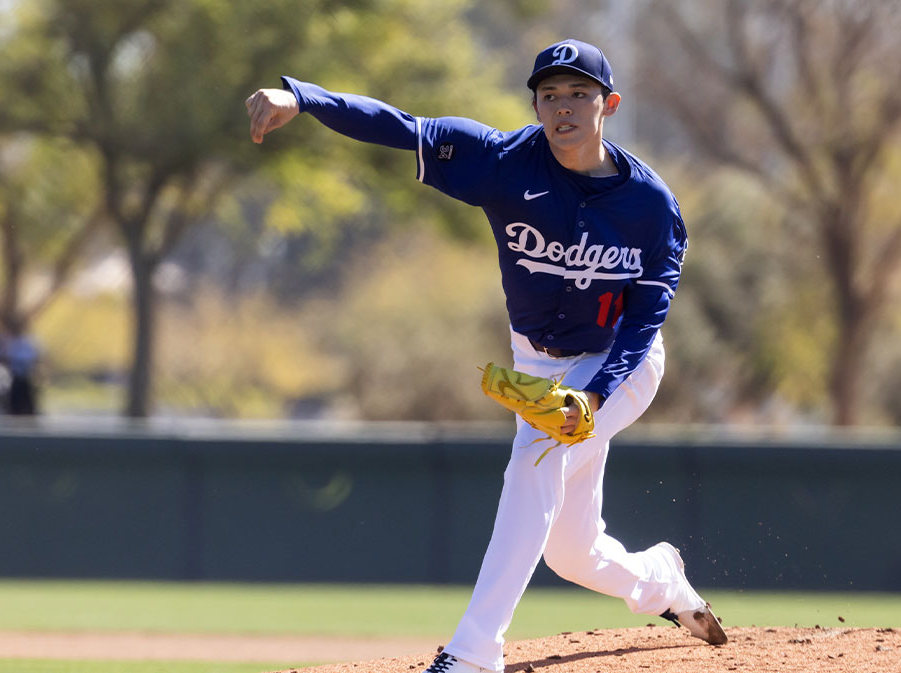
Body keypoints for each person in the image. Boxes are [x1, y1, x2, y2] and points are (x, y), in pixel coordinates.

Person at [246, 38, 726, 673]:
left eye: (579, 93)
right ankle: (662, 581)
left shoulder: (651, 206)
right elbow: (401, 127)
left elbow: (644, 321)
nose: (563, 108)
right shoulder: (502, 162)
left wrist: (594, 393)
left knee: (536, 457)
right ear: (534, 105)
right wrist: (304, 98)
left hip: (620, 363)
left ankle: (475, 652)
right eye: (549, 95)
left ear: (608, 104)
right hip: (537, 362)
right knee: (571, 553)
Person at [0, 316, 41, 416]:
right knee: (12, 408)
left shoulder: (28, 340)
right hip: (11, 379)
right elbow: (0, 357)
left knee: (28, 408)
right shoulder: (5, 340)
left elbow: (34, 358)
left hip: (25, 378)